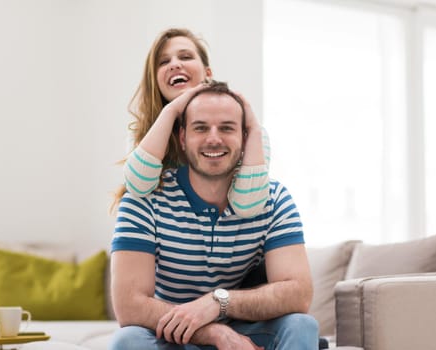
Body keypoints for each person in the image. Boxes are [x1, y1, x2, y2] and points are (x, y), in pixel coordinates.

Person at [109, 81, 318, 349]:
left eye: (227, 128)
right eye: (201, 128)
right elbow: (129, 306)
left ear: (245, 138)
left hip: (245, 332)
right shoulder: (145, 200)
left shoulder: (274, 199)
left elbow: (298, 294)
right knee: (128, 340)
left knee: (302, 325)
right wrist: (213, 332)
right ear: (183, 138)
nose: (214, 138)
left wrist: (218, 302)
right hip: (174, 332)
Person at [114, 28, 270, 218]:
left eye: (186, 57)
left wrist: (253, 128)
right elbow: (138, 186)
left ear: (208, 73)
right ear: (155, 80)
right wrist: (171, 110)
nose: (175, 64)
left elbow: (248, 205)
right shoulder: (143, 134)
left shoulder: (248, 133)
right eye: (164, 62)